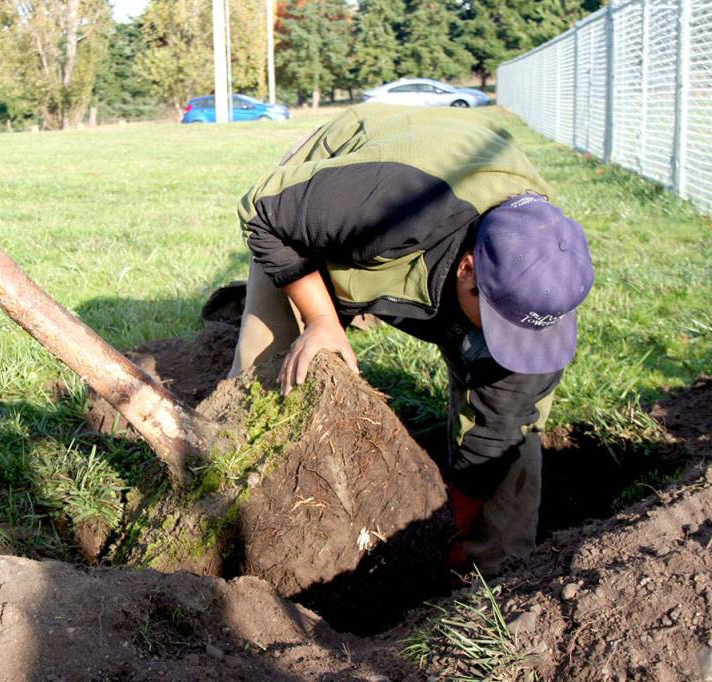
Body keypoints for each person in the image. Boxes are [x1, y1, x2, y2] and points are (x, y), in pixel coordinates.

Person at [230, 104, 595, 573]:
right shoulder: (389, 201)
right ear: (468, 268)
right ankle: (254, 542)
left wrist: (464, 533)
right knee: (273, 364)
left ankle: (498, 575)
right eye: (497, 320)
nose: (508, 339)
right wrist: (321, 318)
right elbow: (262, 212)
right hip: (324, 204)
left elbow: (497, 430)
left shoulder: (542, 285)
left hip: (441, 226)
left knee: (513, 430)